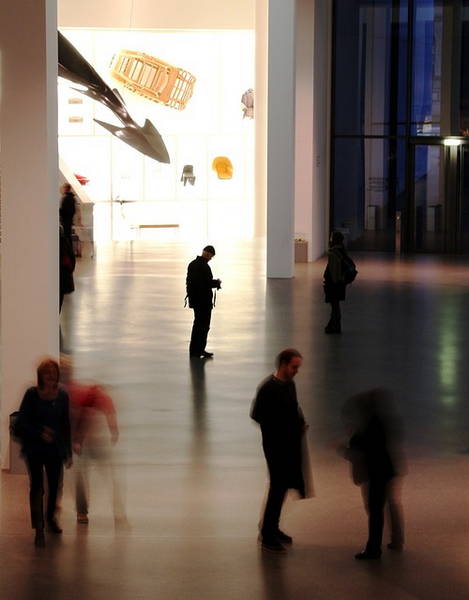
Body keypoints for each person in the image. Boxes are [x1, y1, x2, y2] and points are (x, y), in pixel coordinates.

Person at [250, 348, 310, 552]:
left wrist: (299, 422)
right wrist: (281, 427)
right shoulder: (268, 388)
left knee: (281, 487)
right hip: (276, 446)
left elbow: (294, 407)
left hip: (288, 444)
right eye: (294, 367)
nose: (296, 371)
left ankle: (271, 528)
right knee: (278, 487)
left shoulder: (288, 385)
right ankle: (267, 533)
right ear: (283, 364)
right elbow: (257, 415)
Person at [338, 388, 405, 560]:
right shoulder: (383, 421)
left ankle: (373, 548)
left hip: (375, 474)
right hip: (388, 470)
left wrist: (341, 449)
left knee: (375, 510)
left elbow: (356, 453)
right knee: (390, 504)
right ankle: (397, 539)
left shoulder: (365, 430)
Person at [14, 359, 72, 547]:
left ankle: (50, 519)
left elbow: (65, 425)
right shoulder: (32, 394)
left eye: (53, 372)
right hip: (35, 449)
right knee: (37, 487)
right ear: (40, 375)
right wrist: (40, 432)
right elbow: (22, 420)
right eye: (47, 372)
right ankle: (38, 528)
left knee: (55, 486)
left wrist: (68, 451)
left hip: (55, 449)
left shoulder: (62, 396)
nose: (51, 375)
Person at [60, 357, 124, 526]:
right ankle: (115, 511)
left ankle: (85, 512)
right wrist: (113, 430)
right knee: (101, 476)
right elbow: (107, 405)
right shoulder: (73, 391)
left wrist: (113, 429)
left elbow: (105, 404)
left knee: (83, 476)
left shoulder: (72, 391)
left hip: (86, 443)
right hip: (87, 442)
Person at [186, 245, 221, 359]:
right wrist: (216, 283)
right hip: (204, 302)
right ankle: (198, 350)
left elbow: (190, 283)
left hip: (196, 301)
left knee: (197, 325)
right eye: (211, 256)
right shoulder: (204, 267)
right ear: (209, 254)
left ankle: (195, 350)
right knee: (203, 326)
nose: (210, 258)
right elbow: (205, 283)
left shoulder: (192, 264)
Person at [323, 231, 353, 334]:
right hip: (340, 283)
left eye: (331, 238)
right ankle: (334, 325)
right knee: (335, 306)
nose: (330, 240)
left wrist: (333, 282)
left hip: (334, 284)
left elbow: (333, 271)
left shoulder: (333, 253)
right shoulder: (341, 250)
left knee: (335, 306)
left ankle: (335, 326)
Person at [60, 225, 76, 312]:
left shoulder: (61, 241)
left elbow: (69, 261)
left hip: (61, 278)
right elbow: (71, 262)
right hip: (63, 279)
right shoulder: (63, 240)